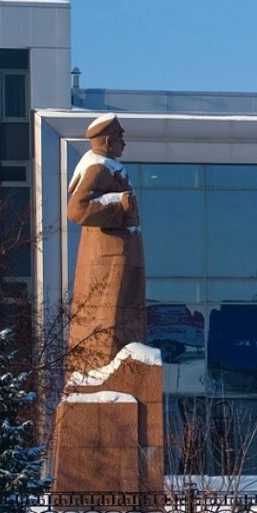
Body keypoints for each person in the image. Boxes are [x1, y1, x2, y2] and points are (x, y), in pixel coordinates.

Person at [65, 114, 147, 374]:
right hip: (109, 255)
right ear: (109, 141)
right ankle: (107, 369)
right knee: (108, 314)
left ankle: (125, 361)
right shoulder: (99, 168)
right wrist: (117, 204)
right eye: (120, 138)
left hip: (121, 251)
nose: (124, 143)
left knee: (124, 313)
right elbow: (77, 210)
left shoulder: (110, 166)